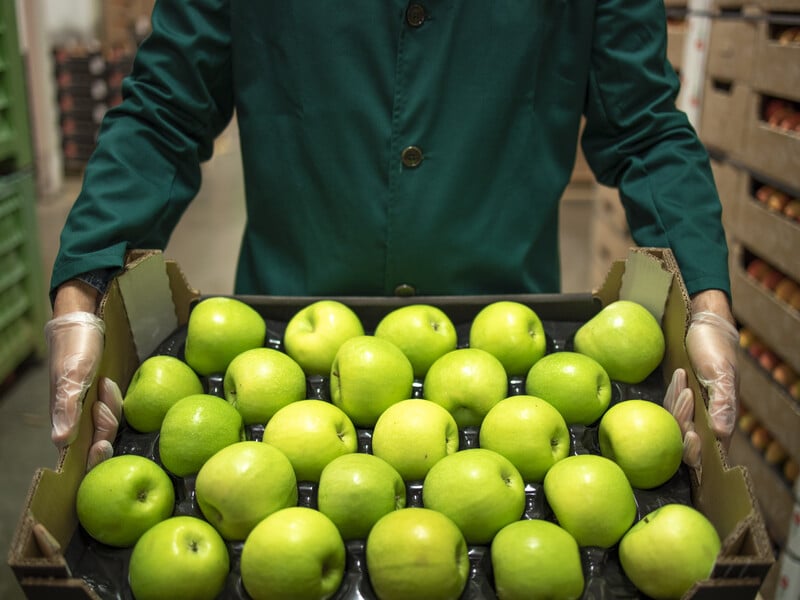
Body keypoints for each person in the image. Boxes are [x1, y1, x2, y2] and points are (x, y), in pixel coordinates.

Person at [46, 1, 739, 470]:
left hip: (513, 366)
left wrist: (704, 300)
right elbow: (165, 111)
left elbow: (644, 125)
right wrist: (84, 292)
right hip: (279, 357)